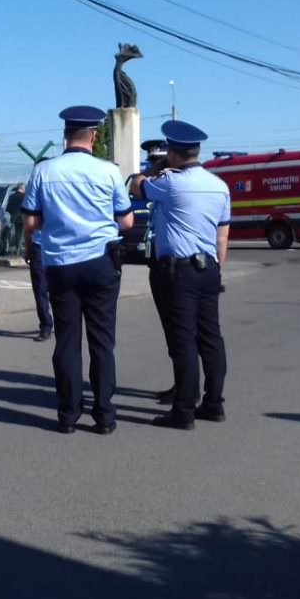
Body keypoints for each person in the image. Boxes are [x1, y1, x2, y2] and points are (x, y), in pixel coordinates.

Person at [21, 106, 134, 434]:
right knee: (102, 342)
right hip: (101, 262)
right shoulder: (108, 171)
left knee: (67, 341)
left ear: (65, 135)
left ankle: (68, 415)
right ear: (94, 136)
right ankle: (105, 415)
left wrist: (33, 245)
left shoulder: (43, 171)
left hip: (60, 264)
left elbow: (31, 220)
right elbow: (126, 220)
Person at [130, 120, 230, 431]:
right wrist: (217, 268)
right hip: (210, 269)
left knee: (184, 340)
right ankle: (213, 403)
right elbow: (222, 235)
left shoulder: (170, 184)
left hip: (180, 272)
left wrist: (155, 167)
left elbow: (136, 185)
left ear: (172, 153)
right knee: (211, 338)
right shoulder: (219, 186)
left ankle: (183, 410)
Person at [135, 138, 177, 404]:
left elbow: (137, 185)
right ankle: (185, 384)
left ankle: (186, 388)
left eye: (159, 163)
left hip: (173, 266)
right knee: (175, 329)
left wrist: (154, 173)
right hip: (162, 260)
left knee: (179, 330)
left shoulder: (168, 185)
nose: (156, 170)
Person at [16, 184, 53, 341]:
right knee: (40, 287)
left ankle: (56, 322)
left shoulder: (56, 193)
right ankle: (45, 324)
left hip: (55, 245)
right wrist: (28, 248)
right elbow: (28, 225)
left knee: (58, 287)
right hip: (40, 244)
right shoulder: (34, 195)